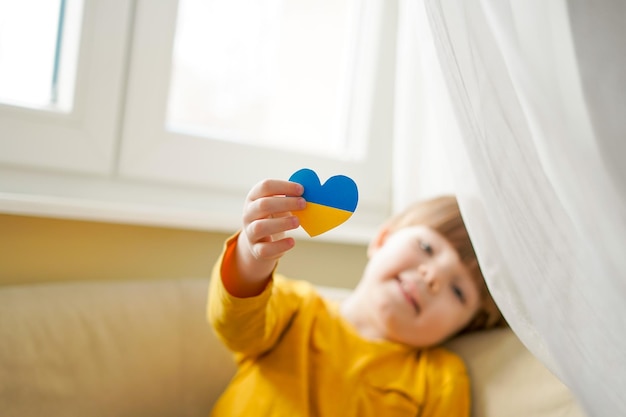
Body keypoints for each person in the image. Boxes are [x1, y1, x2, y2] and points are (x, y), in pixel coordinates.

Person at [207, 178, 506, 416]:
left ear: (468, 324)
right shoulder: (295, 308)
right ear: (382, 239)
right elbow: (235, 323)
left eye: (458, 290)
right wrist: (251, 257)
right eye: (426, 248)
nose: (433, 277)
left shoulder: (441, 381)